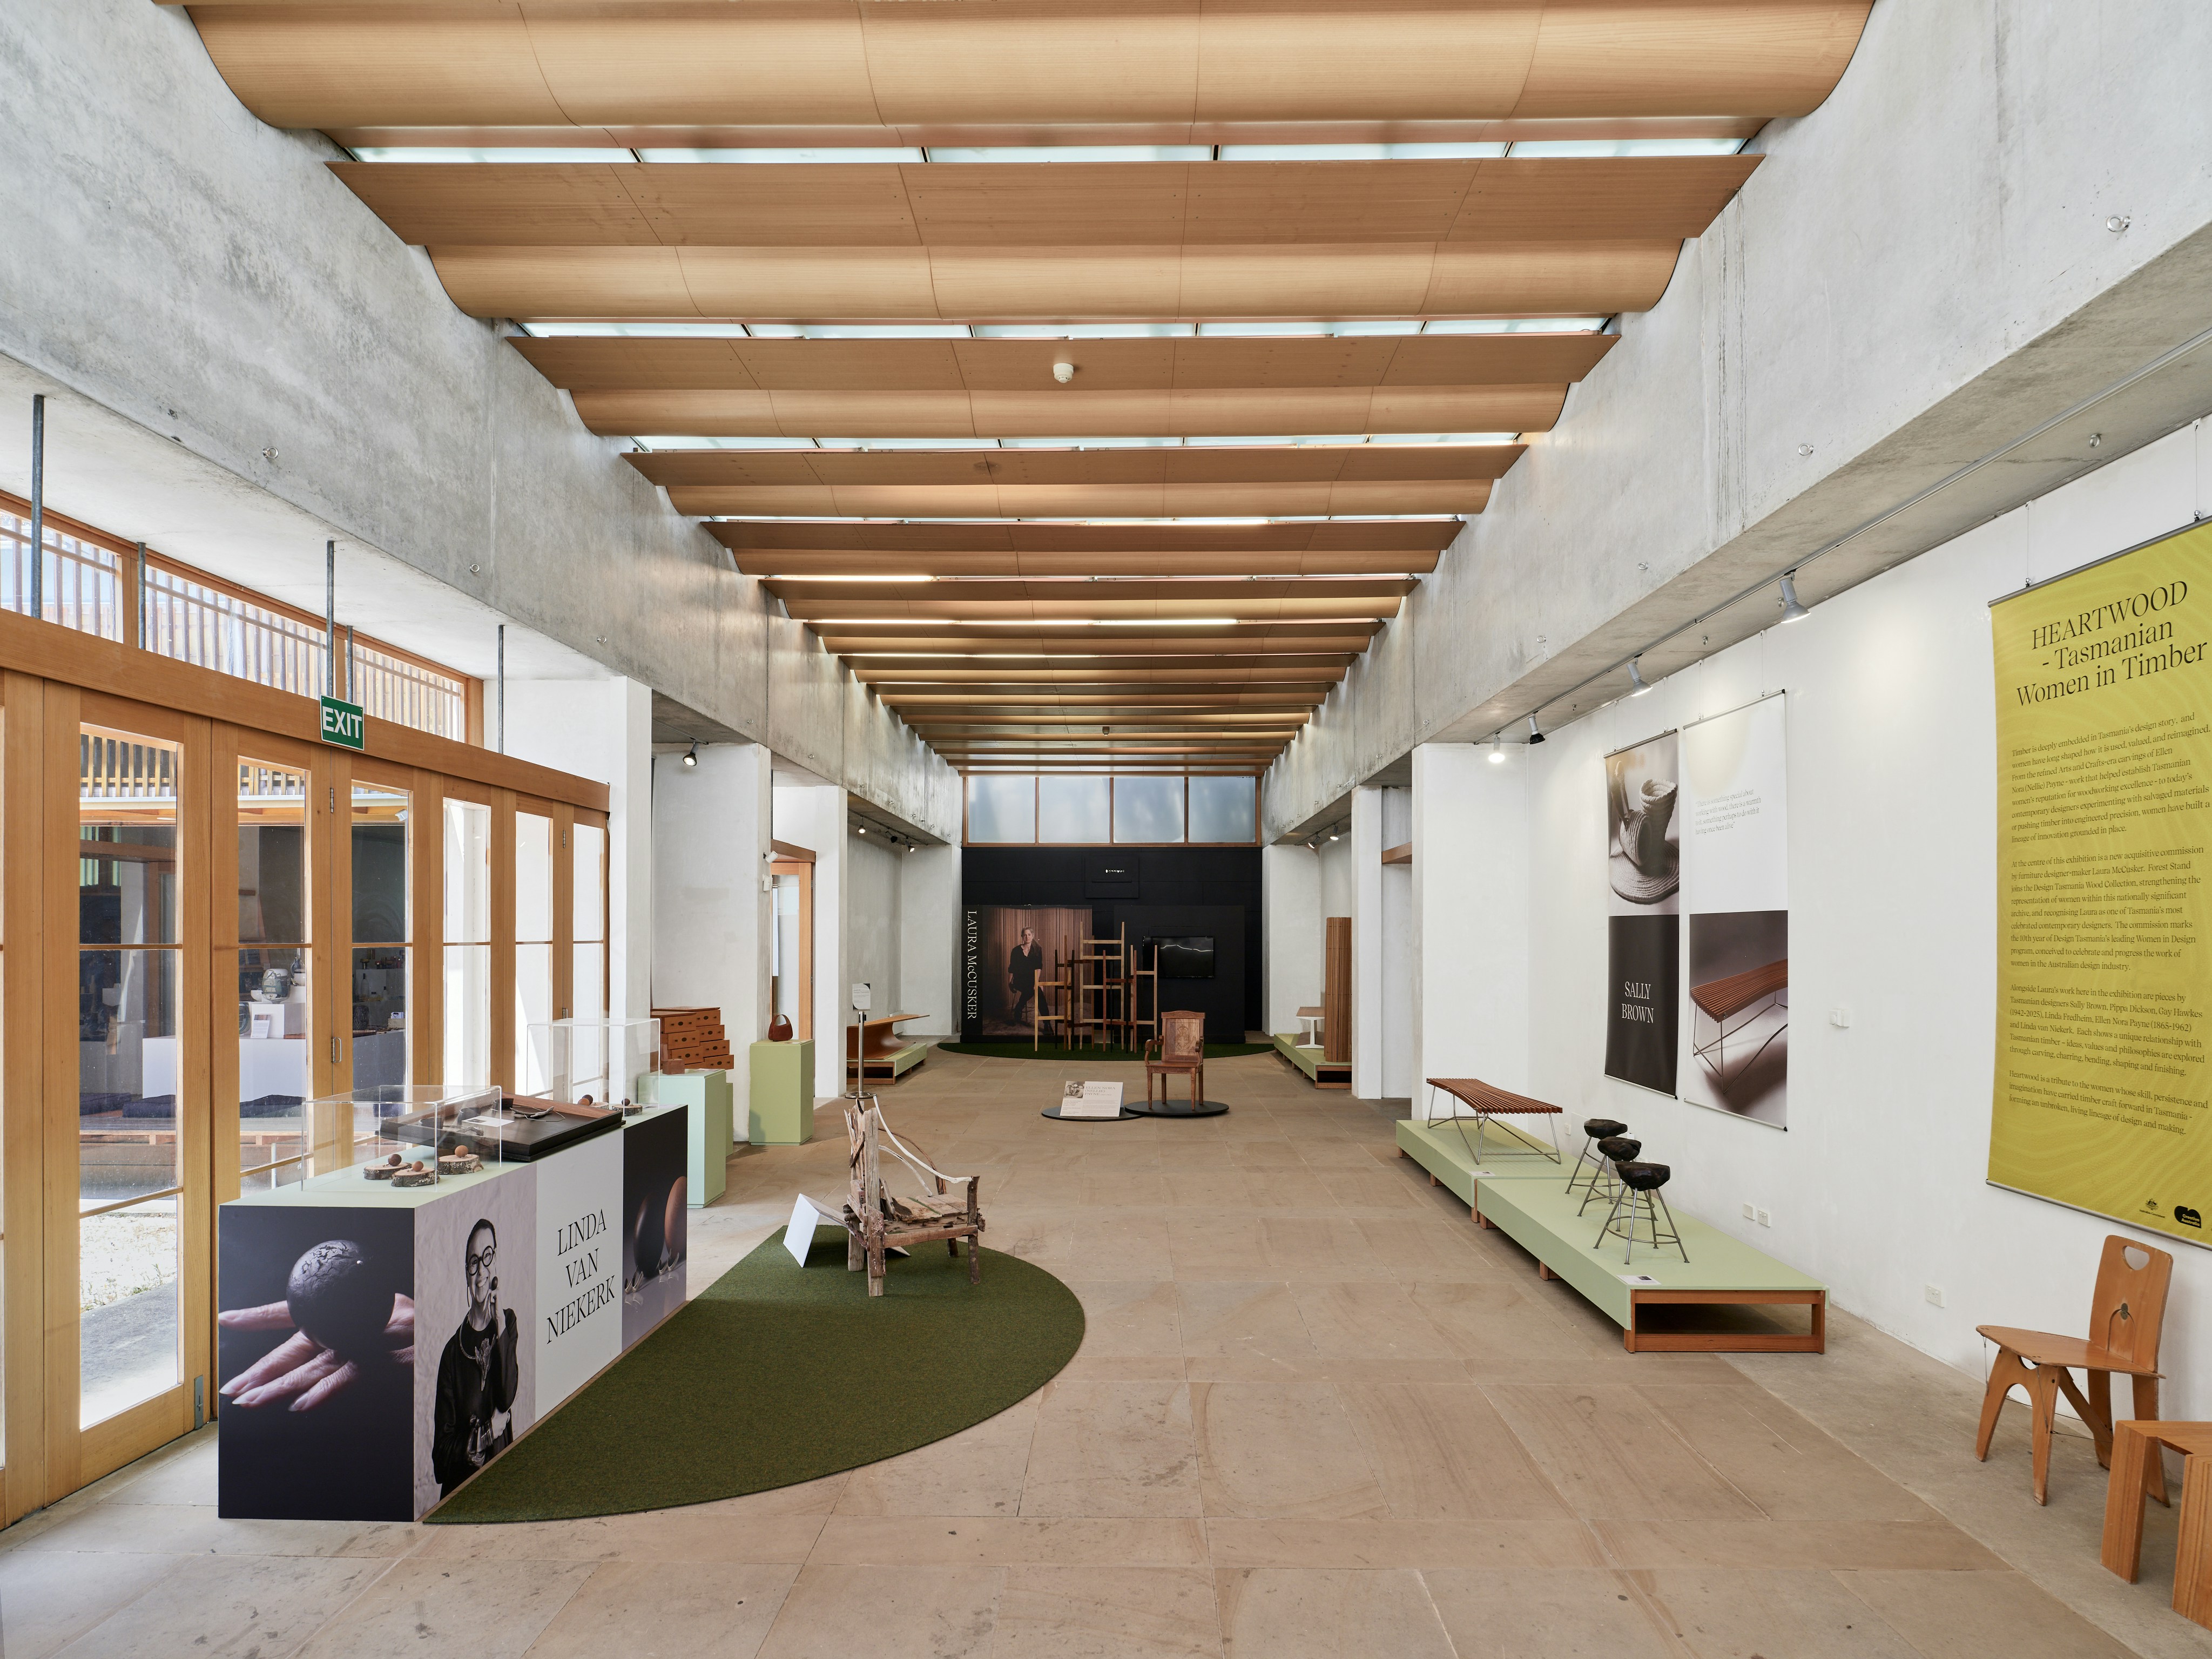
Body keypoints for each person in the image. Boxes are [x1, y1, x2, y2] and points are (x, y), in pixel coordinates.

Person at [432, 1218, 518, 1495]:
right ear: (466, 1274)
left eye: (487, 1256)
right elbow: (440, 1459)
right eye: (473, 1262)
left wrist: (501, 1325)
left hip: (501, 1479)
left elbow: (506, 1397)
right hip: (462, 1489)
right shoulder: (451, 1354)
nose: (481, 1271)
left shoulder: (507, 1324)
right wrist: (485, 1435)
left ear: (496, 1260)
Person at [1008, 926, 1044, 1027]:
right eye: (1025, 935)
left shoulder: (1037, 949)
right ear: (1022, 937)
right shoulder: (1016, 951)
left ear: (1033, 936)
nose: (1027, 937)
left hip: (1032, 980)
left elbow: (1038, 967)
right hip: (1019, 980)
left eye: (1029, 935)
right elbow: (1012, 968)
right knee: (1034, 989)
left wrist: (1037, 982)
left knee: (1038, 991)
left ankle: (1047, 1023)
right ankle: (1019, 1008)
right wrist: (1010, 983)